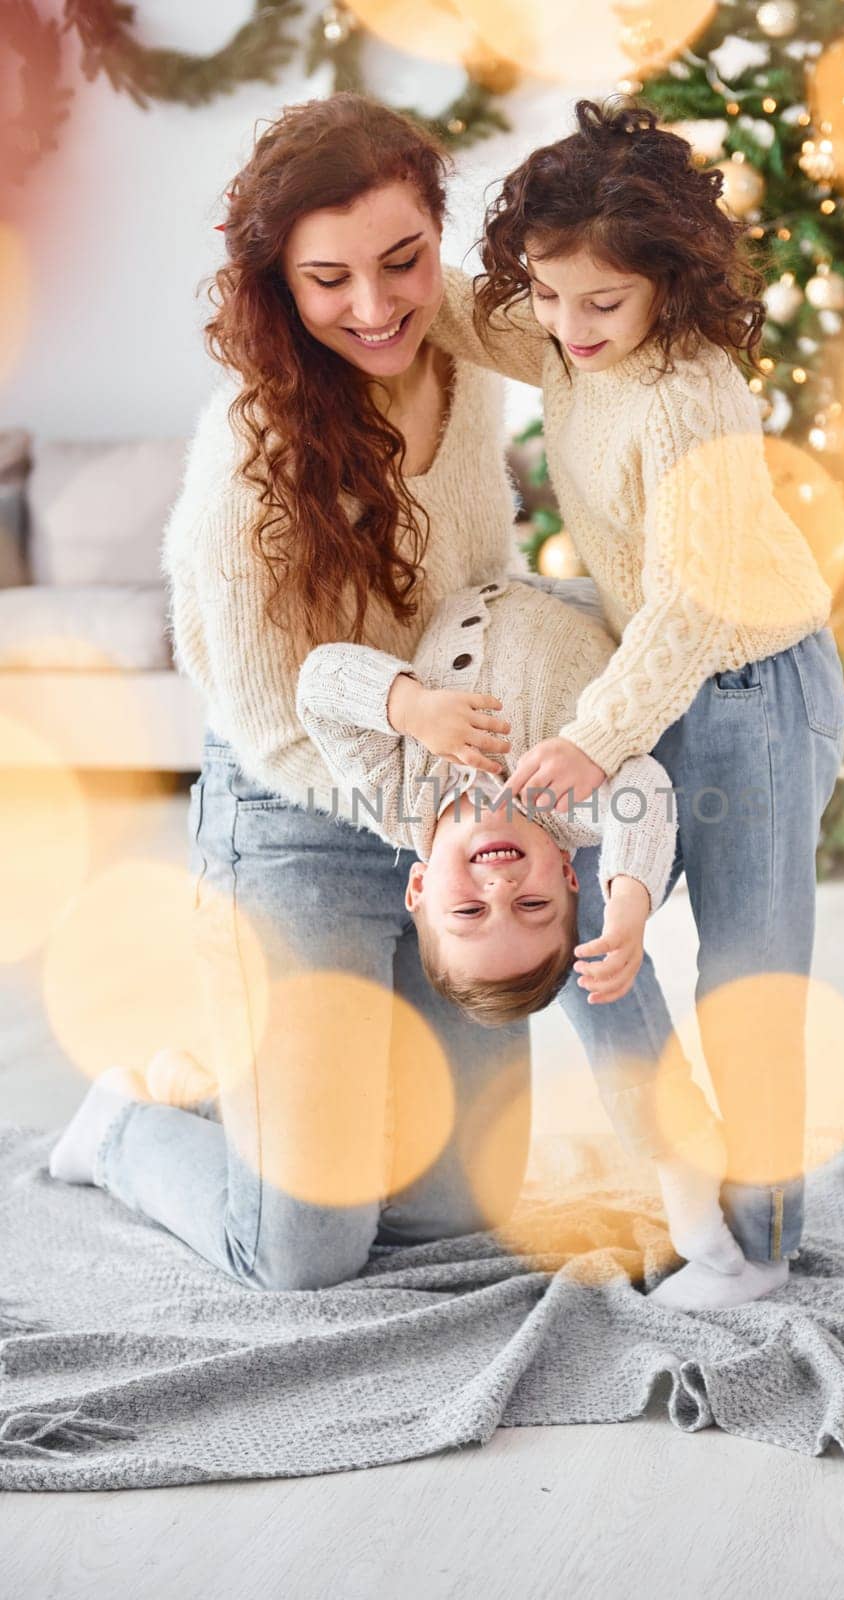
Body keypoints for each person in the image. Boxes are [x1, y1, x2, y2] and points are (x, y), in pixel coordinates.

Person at [45, 92, 733, 1294]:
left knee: (450, 1215)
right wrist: (437, 821)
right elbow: (271, 718)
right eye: (328, 280)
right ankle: (128, 1123)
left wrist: (488, 808)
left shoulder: (469, 364)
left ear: (437, 237)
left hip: (444, 807)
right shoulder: (251, 458)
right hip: (301, 813)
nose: (375, 310)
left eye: (403, 261)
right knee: (304, 1251)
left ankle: (274, 1080)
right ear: (281, 285)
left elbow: (501, 544)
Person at [430, 97, 844, 1311]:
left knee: (751, 971)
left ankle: (755, 1249)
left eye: (597, 303)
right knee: (578, 940)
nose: (564, 328)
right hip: (647, 685)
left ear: (666, 280)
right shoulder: (565, 331)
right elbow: (451, 310)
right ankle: (687, 1187)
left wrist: (591, 736)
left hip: (754, 684)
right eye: (548, 295)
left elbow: (691, 608)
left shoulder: (689, 398)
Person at [295, 572, 678, 1021]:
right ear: (566, 873)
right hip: (598, 594)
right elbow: (644, 787)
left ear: (419, 886)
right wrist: (630, 903)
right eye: (532, 905)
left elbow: (320, 681)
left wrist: (411, 709)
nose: (500, 889)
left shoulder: (395, 797)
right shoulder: (567, 810)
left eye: (469, 909)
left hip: (474, 572)